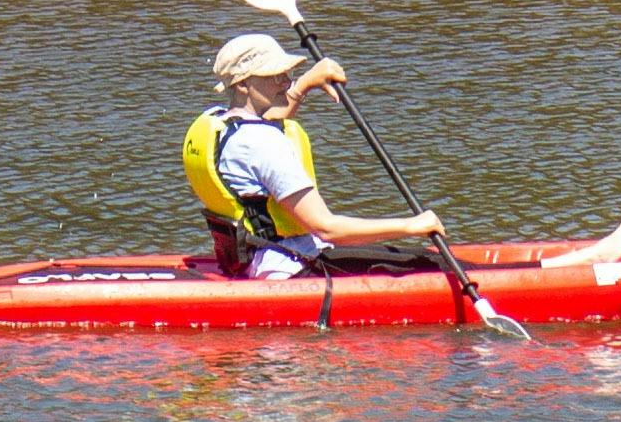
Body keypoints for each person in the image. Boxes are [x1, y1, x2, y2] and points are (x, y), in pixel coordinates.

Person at [183, 34, 448, 279]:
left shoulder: (218, 122)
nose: (285, 81)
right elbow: (327, 228)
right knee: (434, 267)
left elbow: (270, 120)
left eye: (287, 73)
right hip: (293, 265)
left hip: (248, 259)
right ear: (243, 84)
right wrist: (413, 225)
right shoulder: (266, 143)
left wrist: (307, 83)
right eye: (275, 76)